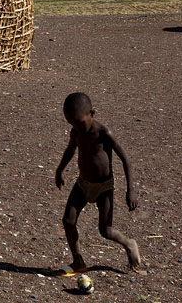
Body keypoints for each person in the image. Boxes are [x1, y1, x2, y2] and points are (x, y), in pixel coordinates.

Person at [54, 92, 141, 275]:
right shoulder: (76, 132)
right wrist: (59, 170)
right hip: (83, 183)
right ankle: (78, 261)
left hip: (104, 186)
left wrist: (130, 190)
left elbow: (125, 159)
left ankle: (129, 243)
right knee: (68, 221)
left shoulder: (103, 133)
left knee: (105, 230)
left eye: (79, 122)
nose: (77, 127)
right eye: (72, 124)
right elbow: (70, 151)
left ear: (92, 113)